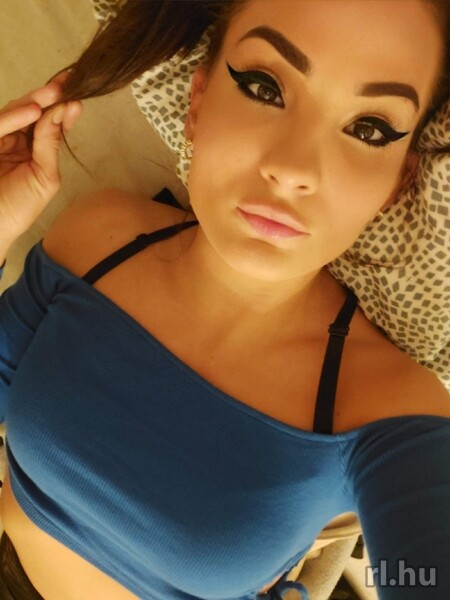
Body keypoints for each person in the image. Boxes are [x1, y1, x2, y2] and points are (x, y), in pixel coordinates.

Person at [0, 1, 448, 599]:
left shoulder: (390, 407)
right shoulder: (100, 238)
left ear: (397, 182)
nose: (292, 169)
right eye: (264, 87)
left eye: (368, 130)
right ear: (198, 101)